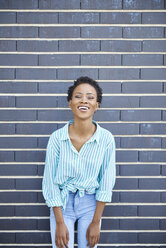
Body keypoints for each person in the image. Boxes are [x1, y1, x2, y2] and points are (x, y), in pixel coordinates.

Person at [42, 76, 116, 248]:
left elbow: (106, 181)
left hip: (90, 203)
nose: (84, 100)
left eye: (90, 97)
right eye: (78, 96)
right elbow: (50, 181)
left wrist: (96, 222)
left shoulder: (106, 139)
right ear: (70, 103)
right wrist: (60, 223)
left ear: (96, 105)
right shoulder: (57, 138)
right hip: (62, 203)